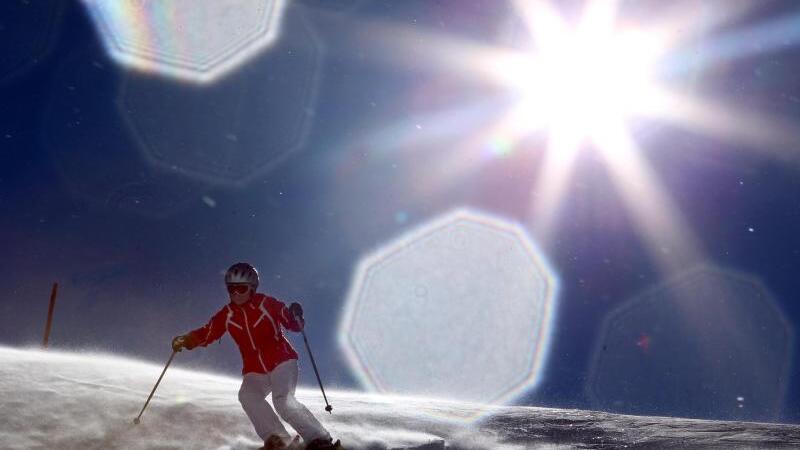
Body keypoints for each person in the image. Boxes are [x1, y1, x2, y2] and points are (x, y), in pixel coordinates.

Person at [172, 262, 338, 450]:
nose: (236, 293)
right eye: (231, 289)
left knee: (282, 400)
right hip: (254, 369)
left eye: (241, 288)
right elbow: (209, 332)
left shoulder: (266, 303)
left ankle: (320, 440)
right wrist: (187, 340)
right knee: (247, 396)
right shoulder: (227, 314)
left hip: (282, 360)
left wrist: (295, 316)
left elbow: (290, 322)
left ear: (252, 289)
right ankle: (279, 441)